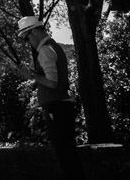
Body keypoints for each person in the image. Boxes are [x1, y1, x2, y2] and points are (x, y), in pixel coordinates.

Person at [11, 17, 84, 180]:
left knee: (65, 156)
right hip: (62, 106)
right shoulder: (54, 47)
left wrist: (31, 75)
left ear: (35, 31)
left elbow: (52, 82)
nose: (28, 41)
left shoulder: (44, 50)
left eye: (28, 37)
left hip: (56, 109)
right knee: (69, 155)